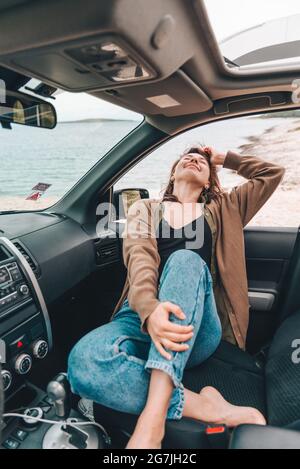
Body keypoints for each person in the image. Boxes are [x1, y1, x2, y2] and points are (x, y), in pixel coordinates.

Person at [68, 145, 285, 449]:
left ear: (209, 181)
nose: (194, 158)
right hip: (141, 316)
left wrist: (224, 159)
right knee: (84, 364)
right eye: (187, 156)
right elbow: (138, 256)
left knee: (185, 260)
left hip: (194, 328)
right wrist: (149, 309)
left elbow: (271, 175)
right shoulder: (144, 207)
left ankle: (151, 422)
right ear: (173, 173)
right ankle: (205, 406)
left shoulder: (225, 208)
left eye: (202, 160)